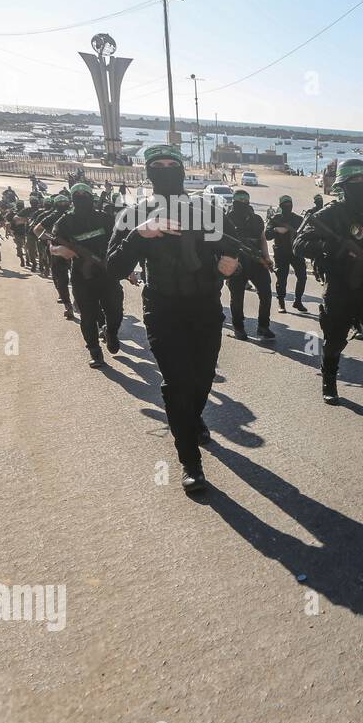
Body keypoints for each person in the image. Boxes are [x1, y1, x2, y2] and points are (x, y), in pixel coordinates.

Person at [106, 145, 241, 494]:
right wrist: (140, 234)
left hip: (205, 307)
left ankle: (191, 419)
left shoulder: (208, 210)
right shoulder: (134, 214)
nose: (166, 170)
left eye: (172, 164)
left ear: (181, 170)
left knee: (203, 377)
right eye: (158, 165)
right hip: (162, 309)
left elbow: (234, 250)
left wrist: (230, 266)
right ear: (149, 171)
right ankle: (190, 461)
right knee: (177, 383)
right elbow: (113, 268)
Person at [293, 158, 363, 422]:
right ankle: (329, 382)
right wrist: (330, 247)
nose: (361, 185)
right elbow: (299, 244)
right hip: (340, 289)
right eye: (354, 181)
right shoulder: (328, 215)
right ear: (343, 185)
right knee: (334, 342)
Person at [50, 183, 123, 367]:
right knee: (88, 316)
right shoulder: (65, 221)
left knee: (115, 311)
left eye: (84, 196)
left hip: (107, 272)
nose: (81, 199)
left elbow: (120, 241)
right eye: (77, 196)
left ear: (91, 198)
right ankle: (95, 351)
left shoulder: (105, 218)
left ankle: (111, 332)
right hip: (82, 276)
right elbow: (52, 245)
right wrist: (60, 250)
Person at [223, 190, 275, 342]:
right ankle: (238, 328)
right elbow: (221, 243)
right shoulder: (227, 219)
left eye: (245, 200)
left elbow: (262, 238)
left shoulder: (256, 219)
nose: (243, 203)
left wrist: (266, 257)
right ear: (234, 201)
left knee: (266, 293)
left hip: (257, 261)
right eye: (240, 200)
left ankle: (263, 326)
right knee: (237, 297)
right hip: (236, 262)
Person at [267, 195, 308, 313]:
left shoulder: (297, 219)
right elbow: (267, 235)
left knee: (302, 276)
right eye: (285, 204)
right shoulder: (275, 219)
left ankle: (298, 301)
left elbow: (305, 233)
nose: (287, 206)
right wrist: (275, 230)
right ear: (280, 206)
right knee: (282, 278)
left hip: (296, 252)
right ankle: (281, 302)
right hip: (281, 252)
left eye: (289, 204)